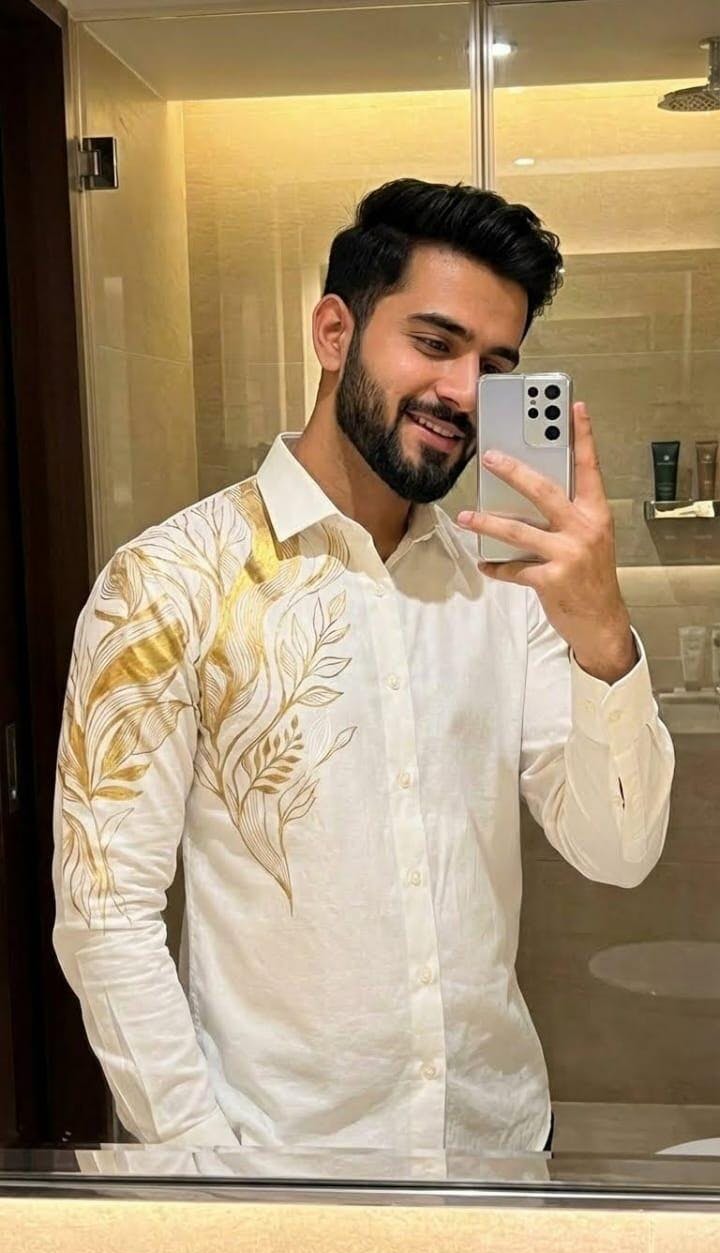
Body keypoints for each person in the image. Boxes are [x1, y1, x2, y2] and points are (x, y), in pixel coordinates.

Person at [53, 178, 674, 1154]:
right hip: (277, 1164)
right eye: (434, 342)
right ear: (334, 332)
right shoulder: (168, 583)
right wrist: (210, 1166)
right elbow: (105, 910)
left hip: (497, 1147)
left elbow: (619, 851)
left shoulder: (507, 589)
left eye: (495, 366)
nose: (464, 393)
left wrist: (603, 634)